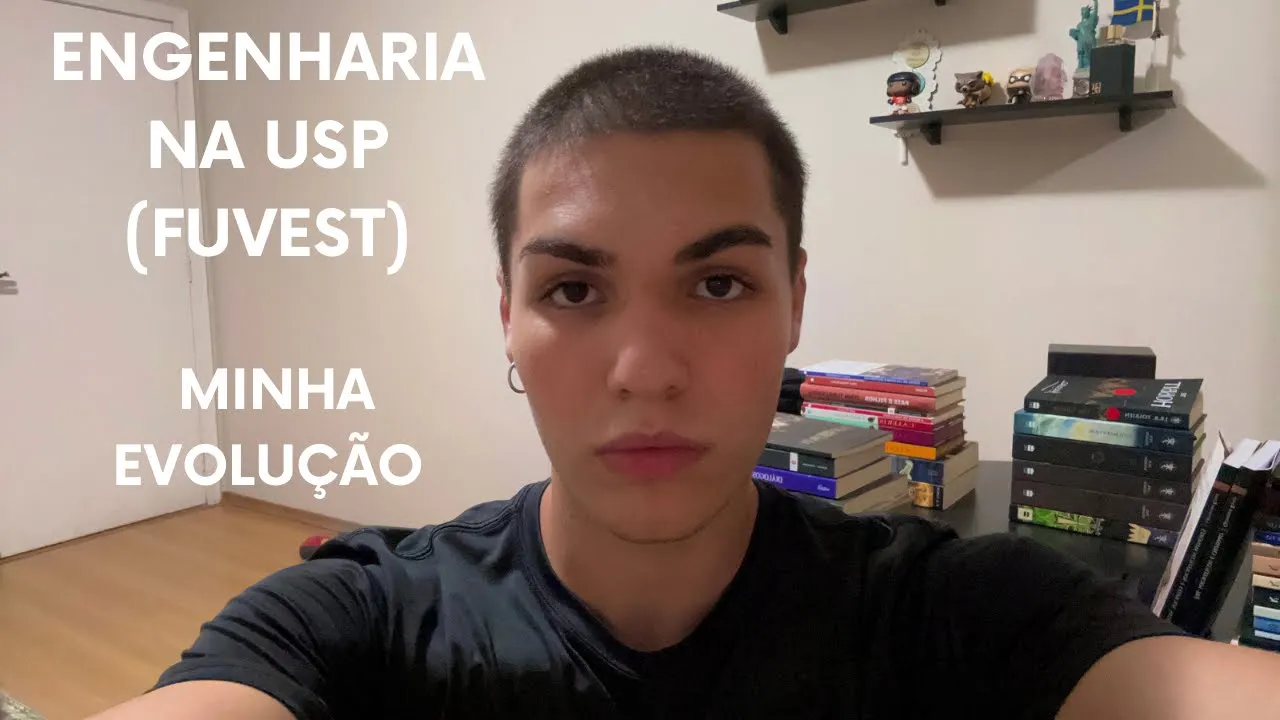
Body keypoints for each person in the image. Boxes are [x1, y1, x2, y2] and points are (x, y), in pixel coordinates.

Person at [92, 45, 1280, 720]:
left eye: (716, 284)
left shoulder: (952, 613)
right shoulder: (365, 618)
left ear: (793, 301)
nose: (645, 371)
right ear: (504, 316)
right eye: (572, 290)